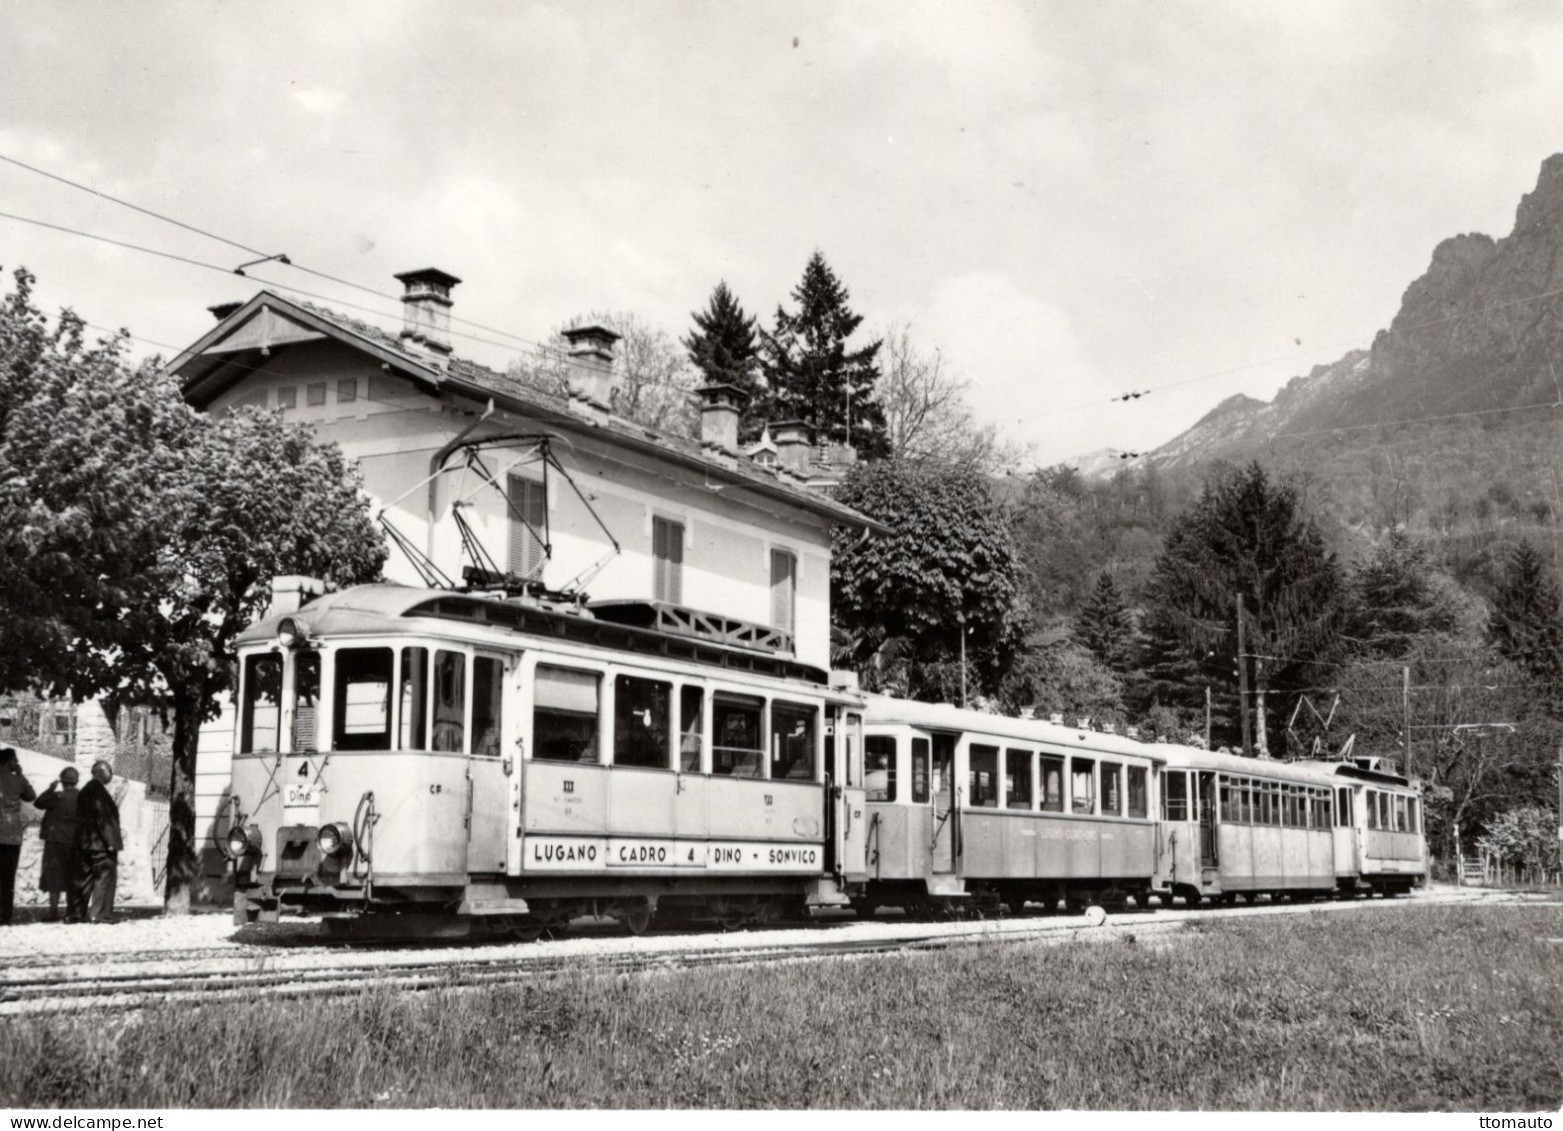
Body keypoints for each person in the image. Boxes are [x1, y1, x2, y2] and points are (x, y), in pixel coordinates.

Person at [74, 760, 122, 924]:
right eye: (110, 772)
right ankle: (98, 913)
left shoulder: (85, 790)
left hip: (85, 842)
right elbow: (103, 818)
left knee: (85, 880)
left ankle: (78, 913)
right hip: (100, 844)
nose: (112, 775)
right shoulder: (98, 792)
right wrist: (111, 841)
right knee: (103, 878)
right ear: (101, 773)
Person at [34, 766, 81, 921]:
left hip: (55, 840)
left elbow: (38, 803)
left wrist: (49, 789)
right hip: (74, 841)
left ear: (62, 781)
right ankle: (71, 911)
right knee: (72, 875)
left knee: (54, 875)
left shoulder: (56, 796)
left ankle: (53, 912)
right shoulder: (82, 797)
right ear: (76, 781)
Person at [0, 747, 37, 926]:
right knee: (8, 876)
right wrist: (20, 775)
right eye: (15, 760)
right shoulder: (16, 780)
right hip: (12, 833)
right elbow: (31, 796)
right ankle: (5, 915)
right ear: (9, 762)